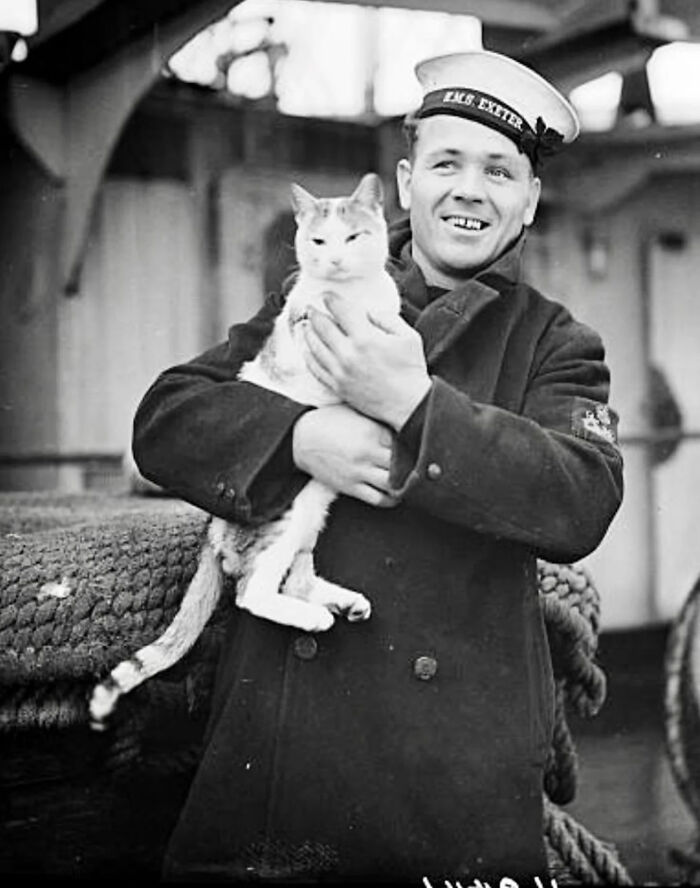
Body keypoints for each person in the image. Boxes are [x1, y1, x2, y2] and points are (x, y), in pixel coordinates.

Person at [133, 49, 624, 883]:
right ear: (403, 183)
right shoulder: (314, 295)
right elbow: (170, 418)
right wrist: (299, 437)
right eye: (446, 163)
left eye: (500, 170)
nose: (470, 188)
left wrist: (413, 405)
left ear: (529, 201)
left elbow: (579, 497)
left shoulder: (556, 343)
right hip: (285, 763)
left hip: (449, 777)